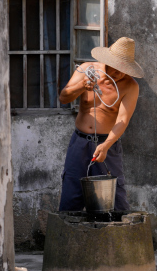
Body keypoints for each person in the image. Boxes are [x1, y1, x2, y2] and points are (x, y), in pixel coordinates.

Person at [57, 37, 143, 211]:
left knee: (115, 198)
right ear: (106, 61)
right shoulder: (86, 70)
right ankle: (70, 235)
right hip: (80, 142)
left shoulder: (130, 86)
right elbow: (63, 97)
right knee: (71, 193)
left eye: (124, 70)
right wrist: (82, 86)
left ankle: (118, 236)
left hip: (107, 144)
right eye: (116, 68)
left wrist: (106, 146)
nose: (119, 74)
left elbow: (122, 120)